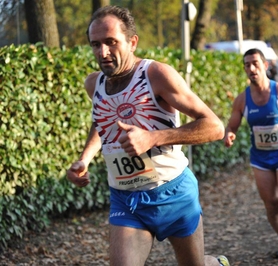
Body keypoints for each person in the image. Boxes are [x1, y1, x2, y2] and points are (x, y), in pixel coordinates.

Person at [66, 6, 230, 266]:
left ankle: (216, 263)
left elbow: (214, 126)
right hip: (125, 199)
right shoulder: (93, 83)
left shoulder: (156, 75)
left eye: (111, 42)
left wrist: (152, 138)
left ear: (132, 42)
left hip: (173, 192)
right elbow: (102, 120)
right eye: (95, 44)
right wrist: (85, 159)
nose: (103, 53)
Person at [224, 48, 278, 259]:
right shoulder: (242, 100)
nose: (251, 68)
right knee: (271, 204)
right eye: (247, 65)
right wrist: (229, 134)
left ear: (265, 66)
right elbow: (232, 125)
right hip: (260, 158)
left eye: (255, 63)